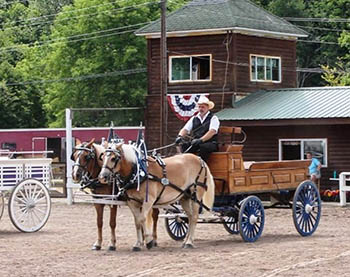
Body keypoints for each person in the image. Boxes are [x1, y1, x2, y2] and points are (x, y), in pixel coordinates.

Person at [174, 95, 220, 162]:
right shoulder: (194, 118)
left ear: (208, 107)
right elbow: (185, 129)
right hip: (196, 143)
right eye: (199, 107)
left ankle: (202, 167)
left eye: (203, 107)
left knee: (204, 148)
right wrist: (180, 136)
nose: (201, 109)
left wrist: (201, 140)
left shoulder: (213, 118)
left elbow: (212, 131)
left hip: (210, 143)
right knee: (185, 146)